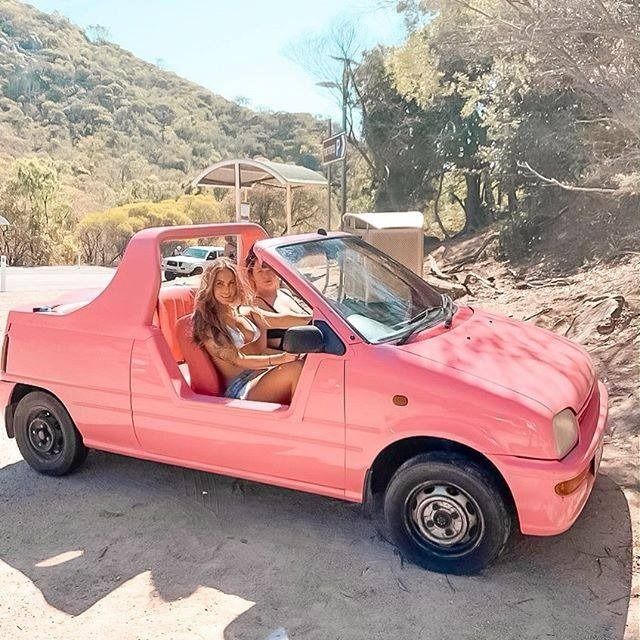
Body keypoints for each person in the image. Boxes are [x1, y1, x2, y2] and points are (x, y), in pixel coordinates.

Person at [191, 258, 311, 404]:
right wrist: (280, 359)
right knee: (295, 368)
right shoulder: (209, 326)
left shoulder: (244, 311)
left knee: (311, 361)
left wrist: (316, 317)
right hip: (240, 387)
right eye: (219, 284)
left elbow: (280, 319)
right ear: (210, 287)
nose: (227, 290)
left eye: (231, 283)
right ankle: (302, 424)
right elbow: (239, 360)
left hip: (262, 373)